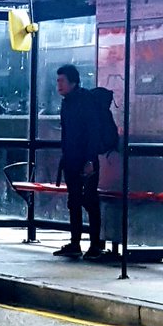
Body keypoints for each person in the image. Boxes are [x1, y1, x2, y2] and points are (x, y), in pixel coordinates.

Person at [53, 64, 104, 260]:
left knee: (90, 201)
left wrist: (90, 159)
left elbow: (93, 133)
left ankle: (95, 245)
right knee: (73, 201)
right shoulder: (66, 103)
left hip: (86, 160)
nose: (58, 85)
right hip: (71, 160)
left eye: (62, 81)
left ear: (73, 82)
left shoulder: (85, 101)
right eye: (57, 81)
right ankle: (75, 243)